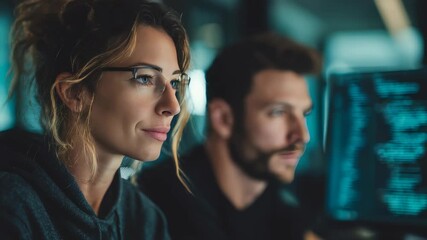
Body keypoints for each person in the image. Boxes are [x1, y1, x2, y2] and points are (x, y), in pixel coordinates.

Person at [0, 0, 191, 239]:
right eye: (145, 78)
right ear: (74, 92)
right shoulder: (13, 207)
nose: (172, 106)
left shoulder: (145, 220)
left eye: (174, 83)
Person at [138, 32, 322, 240]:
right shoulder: (160, 200)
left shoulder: (280, 203)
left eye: (304, 114)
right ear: (223, 118)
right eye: (278, 112)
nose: (302, 135)